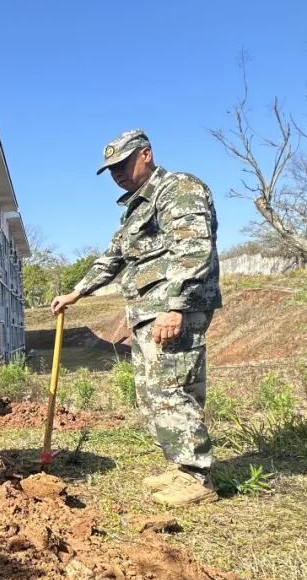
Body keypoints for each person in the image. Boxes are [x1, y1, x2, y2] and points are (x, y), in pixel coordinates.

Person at [51, 130, 222, 508]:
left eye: (123, 165)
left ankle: (197, 477)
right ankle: (179, 466)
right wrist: (77, 292)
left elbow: (193, 248)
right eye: (111, 170)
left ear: (146, 154)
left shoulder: (178, 189)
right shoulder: (136, 209)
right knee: (152, 393)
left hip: (172, 310)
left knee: (173, 387)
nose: (117, 174)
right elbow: (112, 257)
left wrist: (176, 306)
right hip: (147, 312)